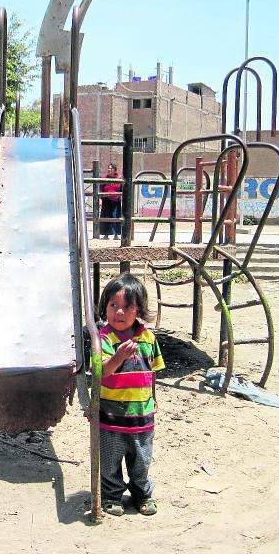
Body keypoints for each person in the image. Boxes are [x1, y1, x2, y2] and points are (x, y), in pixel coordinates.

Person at [96, 273, 164, 517]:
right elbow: (102, 373)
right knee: (110, 460)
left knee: (141, 459)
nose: (120, 312)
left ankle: (142, 493)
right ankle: (112, 495)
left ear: (139, 310)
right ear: (105, 307)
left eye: (127, 307)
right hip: (112, 415)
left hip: (142, 415)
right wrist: (118, 357)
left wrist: (153, 399)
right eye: (113, 305)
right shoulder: (103, 339)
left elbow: (152, 372)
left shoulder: (148, 338)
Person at [99, 163, 122, 240]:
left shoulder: (119, 178)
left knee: (116, 216)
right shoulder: (104, 178)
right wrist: (100, 199)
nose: (109, 170)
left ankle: (116, 235)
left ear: (115, 170)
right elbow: (100, 189)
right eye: (108, 168)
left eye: (111, 168)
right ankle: (106, 235)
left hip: (116, 201)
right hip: (106, 200)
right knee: (106, 217)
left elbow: (122, 189)